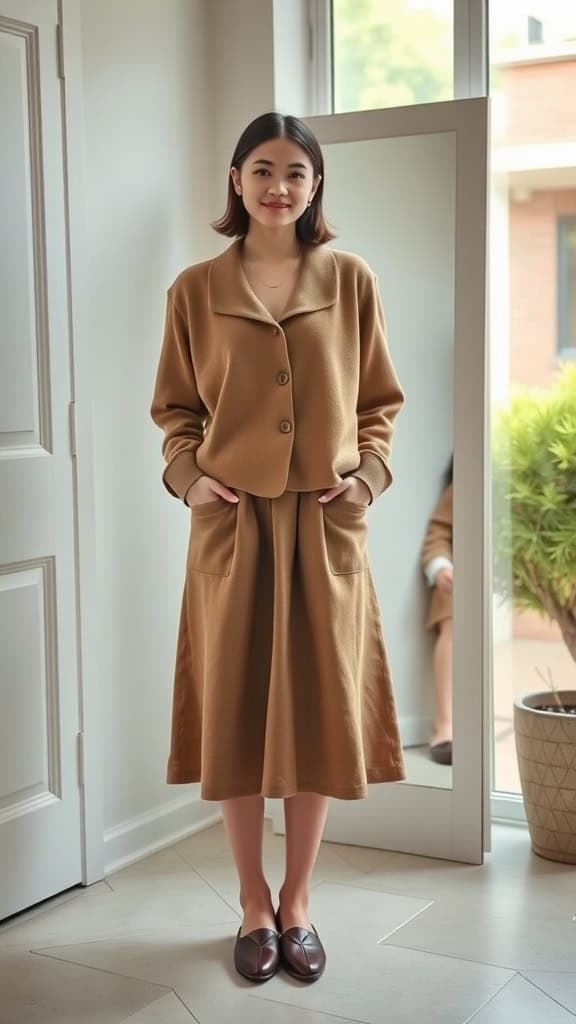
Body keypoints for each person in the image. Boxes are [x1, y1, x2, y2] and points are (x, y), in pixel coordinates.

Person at [150, 111, 405, 984]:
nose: (278, 187)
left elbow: (380, 401)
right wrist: (189, 478)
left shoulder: (352, 279)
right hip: (231, 523)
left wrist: (367, 478)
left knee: (321, 711)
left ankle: (298, 901)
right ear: (235, 179)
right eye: (262, 169)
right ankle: (252, 902)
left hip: (325, 520)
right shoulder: (193, 289)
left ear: (315, 186)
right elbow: (176, 410)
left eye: (296, 172)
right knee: (233, 711)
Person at [421, 458, 454, 766]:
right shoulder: (465, 485)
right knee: (452, 616)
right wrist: (441, 566)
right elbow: (438, 533)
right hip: (460, 582)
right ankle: (445, 723)